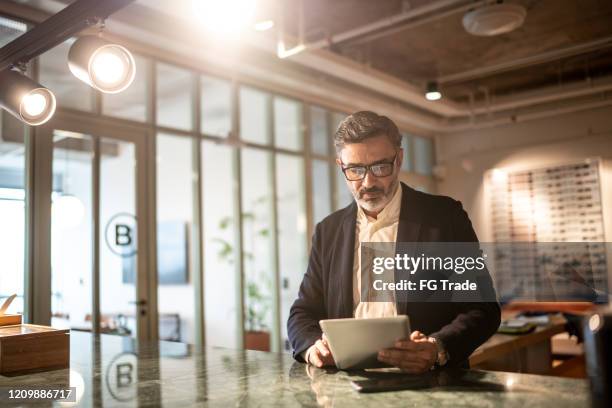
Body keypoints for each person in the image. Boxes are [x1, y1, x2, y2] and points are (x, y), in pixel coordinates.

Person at [287, 111, 500, 372]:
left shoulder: (445, 218)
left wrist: (437, 347)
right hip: (348, 387)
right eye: (355, 169)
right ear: (341, 165)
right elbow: (302, 312)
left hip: (430, 385)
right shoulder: (327, 231)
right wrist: (312, 348)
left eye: (379, 167)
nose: (368, 182)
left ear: (399, 159)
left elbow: (483, 309)